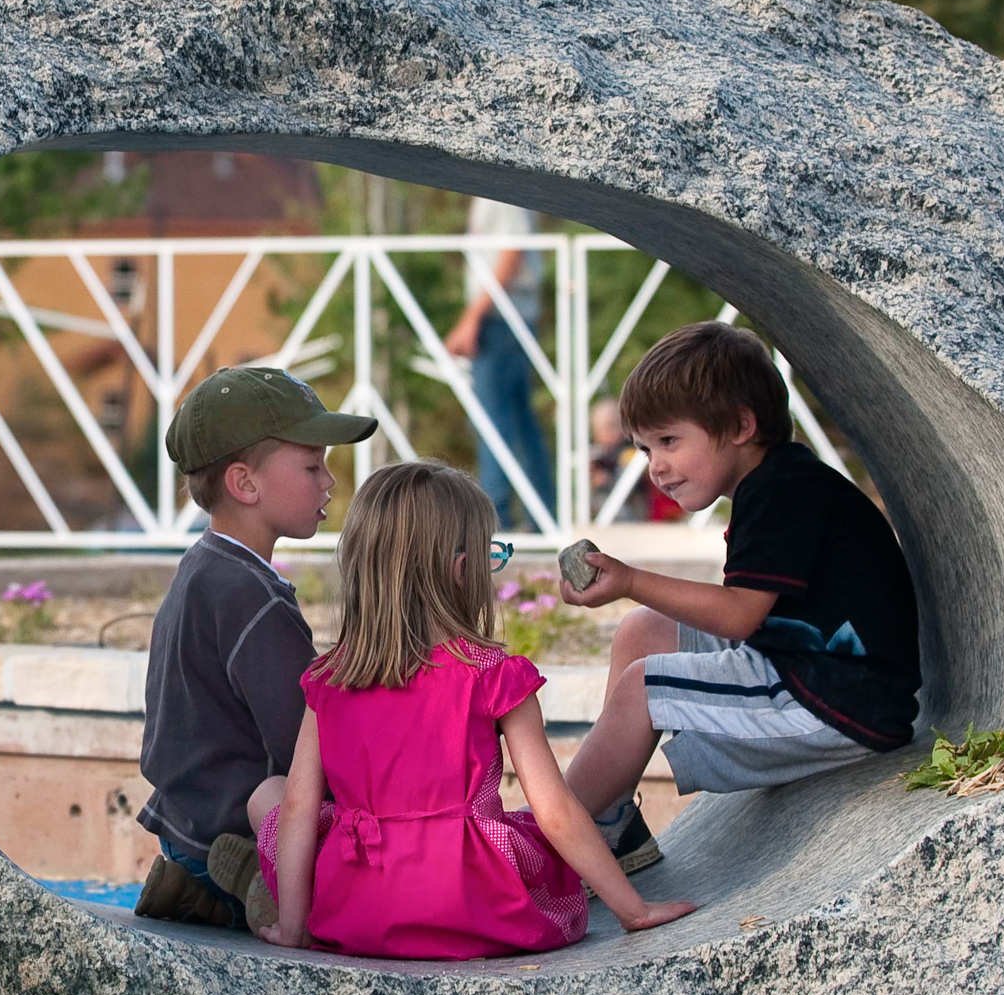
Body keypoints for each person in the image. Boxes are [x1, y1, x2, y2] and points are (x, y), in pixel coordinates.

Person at [252, 460, 696, 959]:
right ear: (462, 571)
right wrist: (632, 911)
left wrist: (295, 929)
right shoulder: (492, 673)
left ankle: (267, 901)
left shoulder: (331, 678)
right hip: (477, 911)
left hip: (360, 912)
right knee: (531, 835)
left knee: (267, 798)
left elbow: (297, 807)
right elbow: (556, 810)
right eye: (491, 556)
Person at [558, 322, 923, 873]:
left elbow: (738, 616)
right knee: (643, 632)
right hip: (813, 675)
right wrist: (635, 596)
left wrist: (630, 580)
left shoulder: (784, 492)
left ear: (740, 425)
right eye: (644, 448)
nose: (655, 466)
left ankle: (548, 847)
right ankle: (610, 825)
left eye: (669, 442)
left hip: (838, 703)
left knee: (645, 687)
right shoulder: (774, 483)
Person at [133, 366, 377, 930]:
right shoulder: (255, 598)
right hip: (233, 832)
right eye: (313, 466)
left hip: (185, 826)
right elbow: (307, 743)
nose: (329, 483)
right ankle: (253, 881)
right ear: (245, 484)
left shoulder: (203, 568)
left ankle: (201, 880)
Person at [444, 198, 554, 530]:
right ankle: (539, 515)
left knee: (494, 422)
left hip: (502, 316)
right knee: (516, 421)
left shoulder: (500, 190)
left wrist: (473, 316)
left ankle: (496, 519)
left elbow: (511, 252)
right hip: (506, 314)